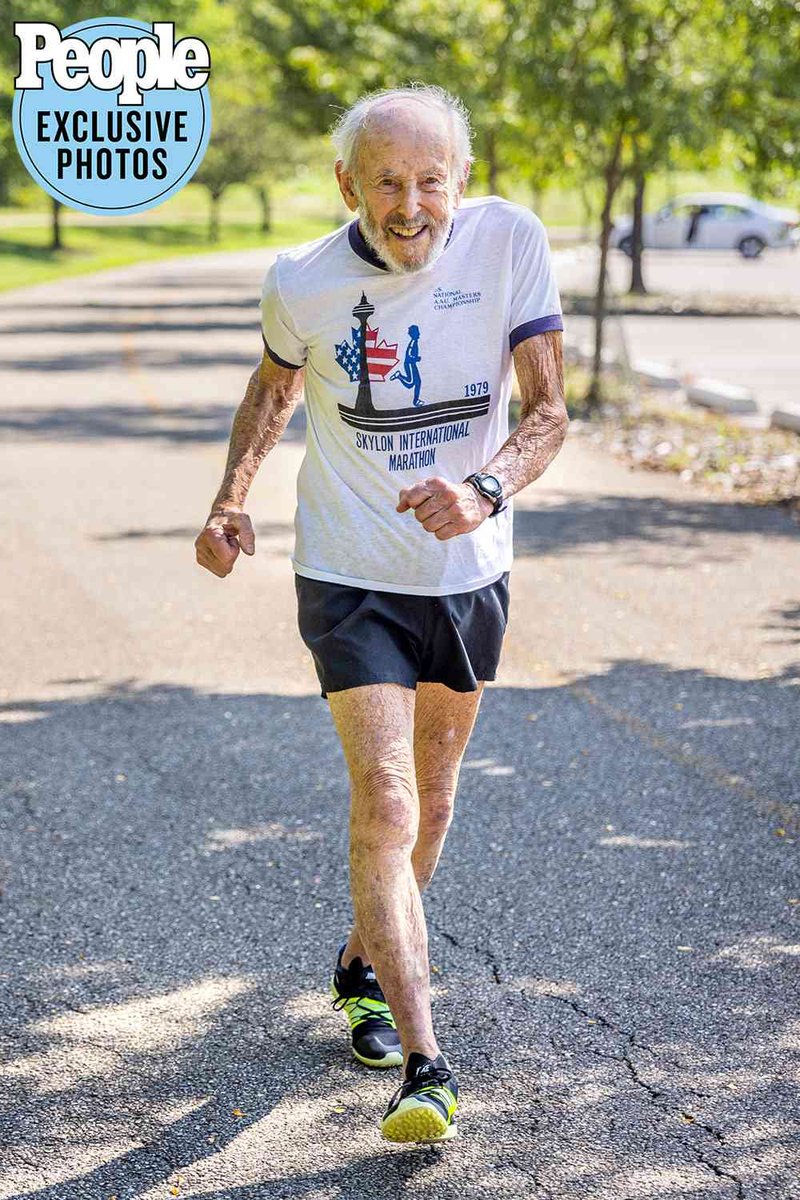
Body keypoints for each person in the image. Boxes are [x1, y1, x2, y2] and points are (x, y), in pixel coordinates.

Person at [194, 84, 569, 1145]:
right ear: (346, 183)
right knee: (390, 806)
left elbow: (547, 412)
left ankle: (360, 965)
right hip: (350, 571)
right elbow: (273, 390)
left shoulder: (509, 242)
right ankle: (424, 1065)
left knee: (434, 806)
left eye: (429, 181)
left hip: (467, 569)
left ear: (460, 178)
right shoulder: (303, 279)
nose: (410, 206)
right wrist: (230, 500)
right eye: (386, 183)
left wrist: (483, 491)